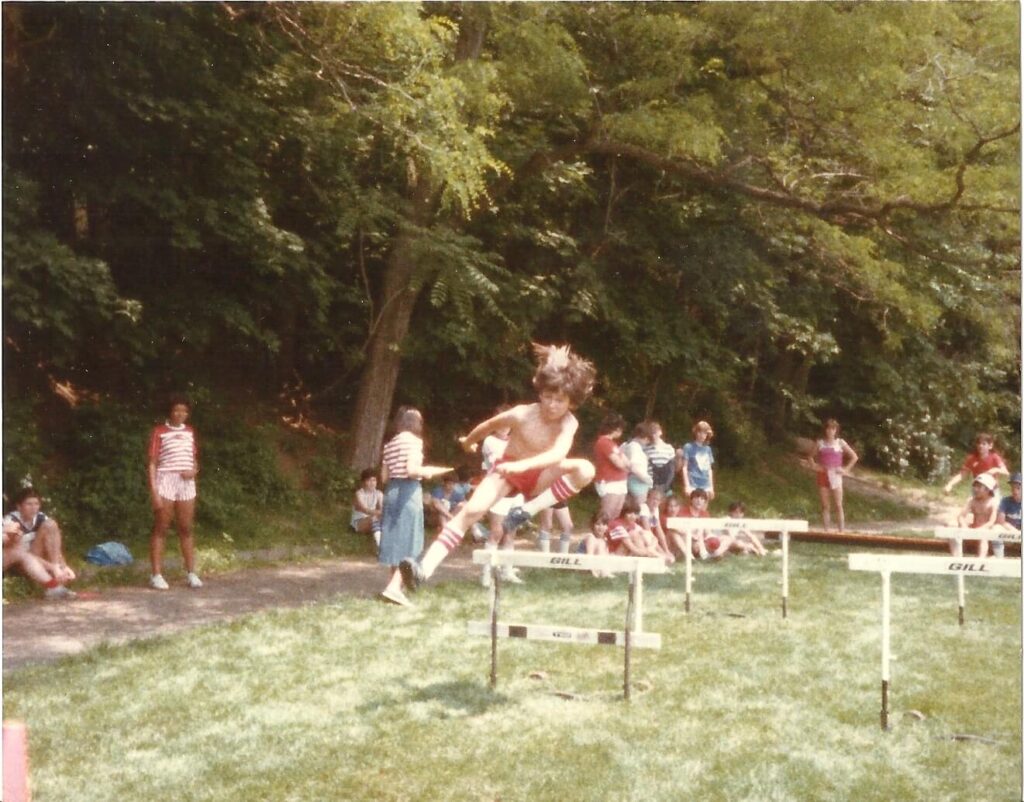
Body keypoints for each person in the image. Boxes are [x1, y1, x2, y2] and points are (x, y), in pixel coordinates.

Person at [400, 343, 597, 592]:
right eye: (548, 397)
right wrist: (469, 442)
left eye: (560, 400)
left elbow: (558, 454)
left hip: (540, 474)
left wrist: (524, 466)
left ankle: (525, 512)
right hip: (507, 471)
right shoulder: (522, 413)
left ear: (572, 402)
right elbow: (488, 426)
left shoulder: (569, 423)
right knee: (472, 510)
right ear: (540, 393)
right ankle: (423, 570)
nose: (552, 405)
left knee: (586, 469)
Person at [378, 407, 452, 606]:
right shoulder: (414, 442)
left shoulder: (390, 444)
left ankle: (394, 588)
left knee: (395, 541)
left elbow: (384, 477)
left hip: (391, 492)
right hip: (408, 492)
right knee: (410, 541)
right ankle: (394, 588)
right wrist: (427, 472)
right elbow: (412, 470)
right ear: (415, 423)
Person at [147, 395, 202, 590]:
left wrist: (194, 471)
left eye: (184, 411)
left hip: (186, 483)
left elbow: (193, 459)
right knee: (162, 527)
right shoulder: (159, 431)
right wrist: (154, 491)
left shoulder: (189, 432)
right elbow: (153, 463)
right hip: (166, 481)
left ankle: (191, 573)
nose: (181, 414)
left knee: (186, 528)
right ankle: (156, 575)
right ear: (170, 411)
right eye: (177, 410)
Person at [3, 489, 76, 599]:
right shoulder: (11, 521)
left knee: (50, 524)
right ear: (19, 507)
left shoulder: (40, 517)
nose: (34, 508)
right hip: (20, 562)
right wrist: (52, 568)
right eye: (29, 504)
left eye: (36, 504)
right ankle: (53, 584)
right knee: (21, 552)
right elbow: (20, 552)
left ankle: (58, 573)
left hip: (38, 557)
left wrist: (63, 566)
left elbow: (54, 544)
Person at [809, 418, 859, 532]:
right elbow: (810, 457)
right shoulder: (820, 443)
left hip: (836, 476)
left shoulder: (840, 443)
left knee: (838, 505)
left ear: (836, 430)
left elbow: (854, 457)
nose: (830, 431)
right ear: (825, 430)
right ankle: (826, 531)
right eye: (828, 428)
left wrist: (845, 470)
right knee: (825, 505)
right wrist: (815, 466)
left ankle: (841, 531)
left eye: (833, 428)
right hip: (823, 475)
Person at [944, 433, 1010, 496]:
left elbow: (1006, 472)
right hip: (977, 489)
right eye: (979, 443)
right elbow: (962, 475)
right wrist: (950, 484)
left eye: (984, 444)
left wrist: (995, 469)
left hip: (992, 490)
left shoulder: (994, 457)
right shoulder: (972, 458)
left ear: (990, 446)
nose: (980, 446)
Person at [593, 413, 630, 519]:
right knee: (607, 512)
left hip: (619, 482)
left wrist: (626, 466)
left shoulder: (612, 443)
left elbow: (625, 460)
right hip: (609, 481)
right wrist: (627, 467)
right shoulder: (603, 442)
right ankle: (601, 533)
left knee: (616, 512)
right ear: (616, 429)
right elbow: (618, 463)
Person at [954, 473, 999, 557]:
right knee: (951, 526)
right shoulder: (972, 501)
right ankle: (957, 558)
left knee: (983, 535)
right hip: (973, 530)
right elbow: (960, 516)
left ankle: (980, 561)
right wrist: (964, 526)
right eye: (975, 486)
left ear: (988, 489)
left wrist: (980, 529)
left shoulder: (993, 503)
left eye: (979, 487)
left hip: (987, 532)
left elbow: (991, 522)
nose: (975, 489)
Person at [679, 420, 716, 501]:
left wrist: (711, 487)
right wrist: (687, 485)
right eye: (700, 432)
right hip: (693, 483)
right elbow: (684, 467)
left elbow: (709, 469)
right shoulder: (688, 447)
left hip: (705, 484)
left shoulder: (708, 449)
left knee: (703, 509)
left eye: (705, 433)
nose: (702, 435)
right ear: (696, 432)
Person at [351, 468, 383, 549]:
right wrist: (380, 513)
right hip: (360, 522)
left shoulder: (378, 493)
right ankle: (380, 547)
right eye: (369, 480)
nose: (372, 483)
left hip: (373, 519)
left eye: (374, 480)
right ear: (364, 482)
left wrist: (382, 514)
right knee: (374, 518)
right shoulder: (359, 494)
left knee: (387, 519)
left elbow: (383, 509)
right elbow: (365, 510)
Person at [623, 422, 654, 506]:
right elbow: (634, 467)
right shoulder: (635, 447)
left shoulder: (626, 445)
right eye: (648, 439)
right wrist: (648, 480)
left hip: (630, 481)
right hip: (637, 483)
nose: (647, 442)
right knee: (639, 508)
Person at [575, 511, 613, 578]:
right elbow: (590, 555)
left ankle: (604, 572)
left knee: (602, 544)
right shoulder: (590, 537)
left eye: (604, 524)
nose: (601, 527)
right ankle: (598, 572)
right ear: (593, 525)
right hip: (583, 564)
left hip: (596, 564)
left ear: (607, 527)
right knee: (599, 544)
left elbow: (605, 556)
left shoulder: (604, 540)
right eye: (598, 524)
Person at [643, 421, 676, 495]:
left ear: (660, 432)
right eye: (651, 434)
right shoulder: (645, 449)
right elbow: (646, 469)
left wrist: (666, 486)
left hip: (667, 486)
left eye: (655, 433)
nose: (653, 436)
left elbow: (672, 470)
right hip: (651, 486)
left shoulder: (669, 448)